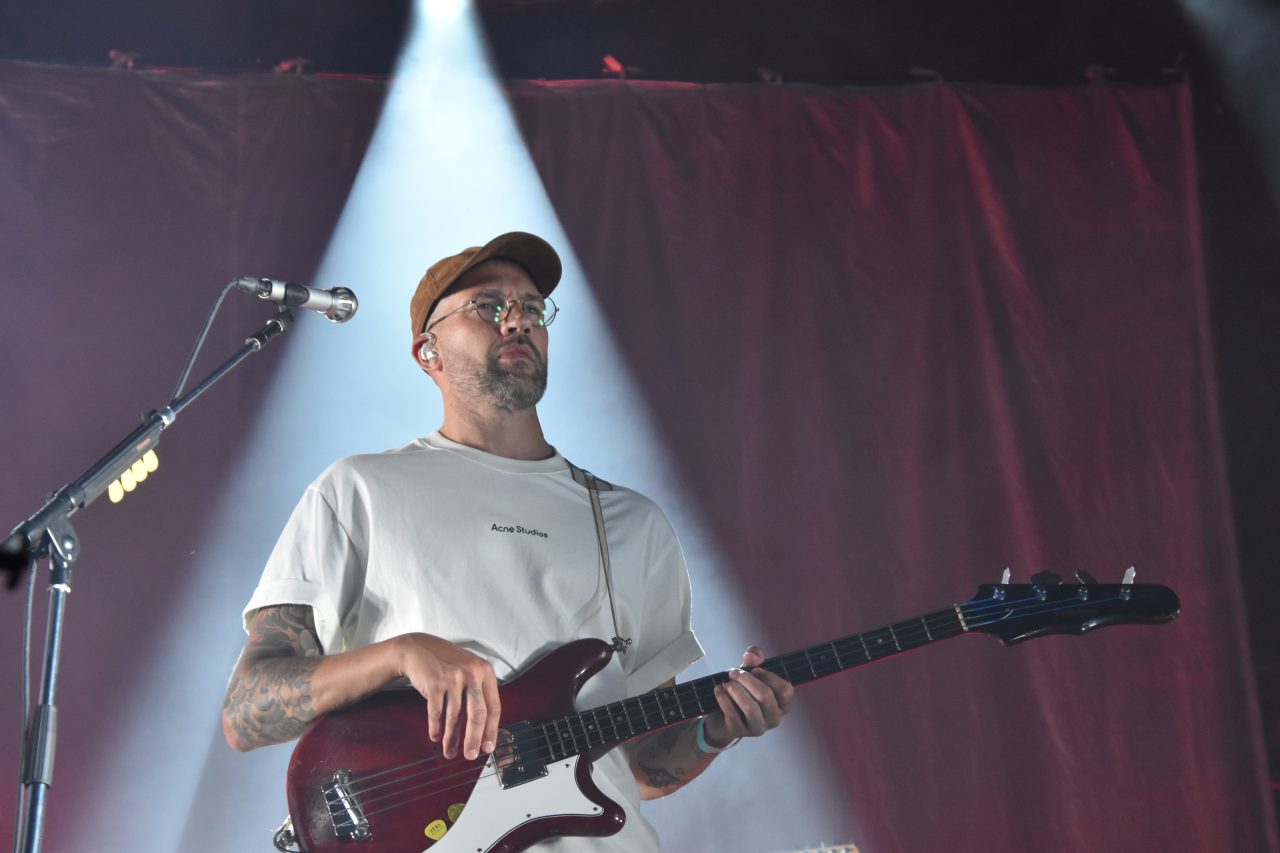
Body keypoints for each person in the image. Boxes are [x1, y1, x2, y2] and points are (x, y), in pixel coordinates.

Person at [221, 232, 795, 851]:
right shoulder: (357, 489)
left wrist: (715, 730)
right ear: (428, 351)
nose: (518, 319)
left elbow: (642, 768)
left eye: (533, 308)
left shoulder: (635, 523)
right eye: (489, 305)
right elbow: (247, 711)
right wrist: (400, 654)